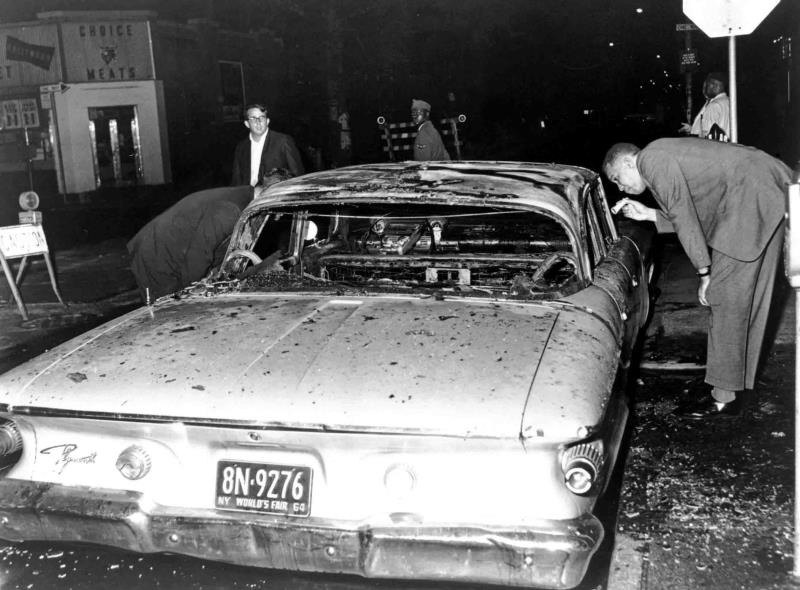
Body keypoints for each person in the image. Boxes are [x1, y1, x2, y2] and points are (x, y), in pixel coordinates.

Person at [603, 138, 789, 420]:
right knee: (748, 302)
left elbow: (685, 215)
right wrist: (650, 214)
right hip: (767, 192)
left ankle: (723, 399)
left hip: (749, 201)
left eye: (618, 179)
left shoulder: (651, 161)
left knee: (723, 301)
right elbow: (694, 206)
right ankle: (736, 387)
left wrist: (705, 273)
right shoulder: (663, 154)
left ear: (630, 162)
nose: (620, 187)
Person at [128, 170, 292, 301]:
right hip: (158, 256)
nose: (279, 214)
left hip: (176, 253)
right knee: (168, 314)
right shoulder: (230, 210)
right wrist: (189, 296)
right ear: (270, 194)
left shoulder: (246, 200)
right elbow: (198, 256)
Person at [231, 104, 304, 186]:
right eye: (253, 118)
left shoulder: (282, 141)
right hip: (249, 196)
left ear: (267, 121)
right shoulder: (241, 147)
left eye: (262, 117)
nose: (258, 122)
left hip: (275, 196)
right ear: (247, 124)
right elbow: (237, 180)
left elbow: (298, 175)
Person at [679, 72, 731, 140]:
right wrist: (693, 129)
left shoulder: (713, 105)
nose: (705, 89)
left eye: (707, 85)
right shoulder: (729, 101)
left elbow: (707, 136)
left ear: (714, 86)